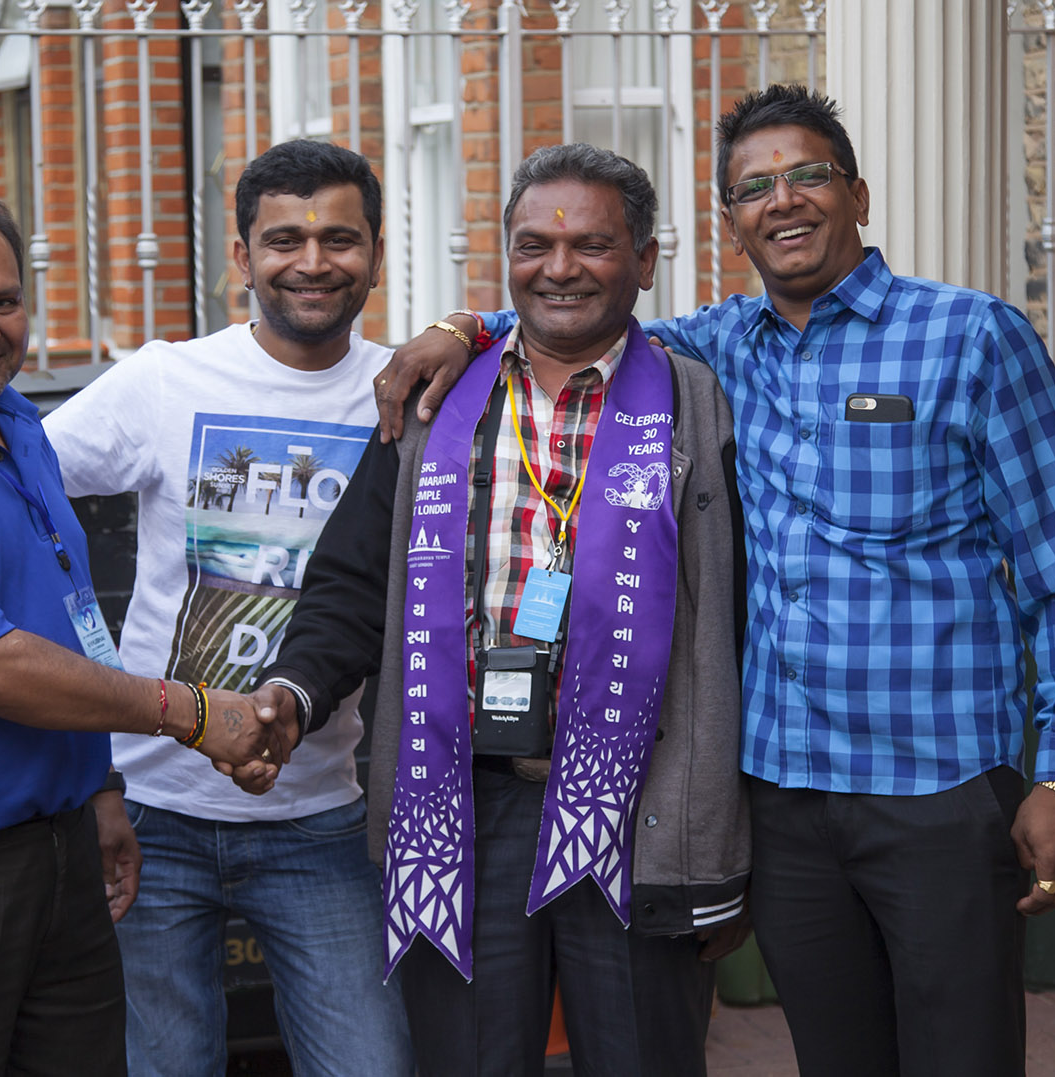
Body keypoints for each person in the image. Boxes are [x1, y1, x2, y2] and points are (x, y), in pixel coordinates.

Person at [380, 85, 1055, 1077]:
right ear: (730, 223)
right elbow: (573, 305)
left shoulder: (971, 338)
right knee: (835, 1055)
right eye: (753, 187)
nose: (783, 201)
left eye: (807, 175)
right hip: (781, 797)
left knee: (964, 1055)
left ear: (857, 193)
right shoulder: (713, 350)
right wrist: (463, 326)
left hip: (940, 789)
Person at [0, 145, 415, 1077]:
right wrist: (195, 717)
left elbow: (67, 609)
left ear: (376, 251)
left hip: (160, 827)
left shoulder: (18, 431)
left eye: (2, 302)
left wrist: (96, 787)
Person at [258, 143, 751, 1076]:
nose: (559, 267)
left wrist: (726, 833)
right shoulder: (438, 393)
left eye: (593, 246)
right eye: (533, 246)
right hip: (463, 802)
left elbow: (744, 612)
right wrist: (293, 689)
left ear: (645, 261)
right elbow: (355, 581)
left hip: (639, 802)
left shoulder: (701, 401)